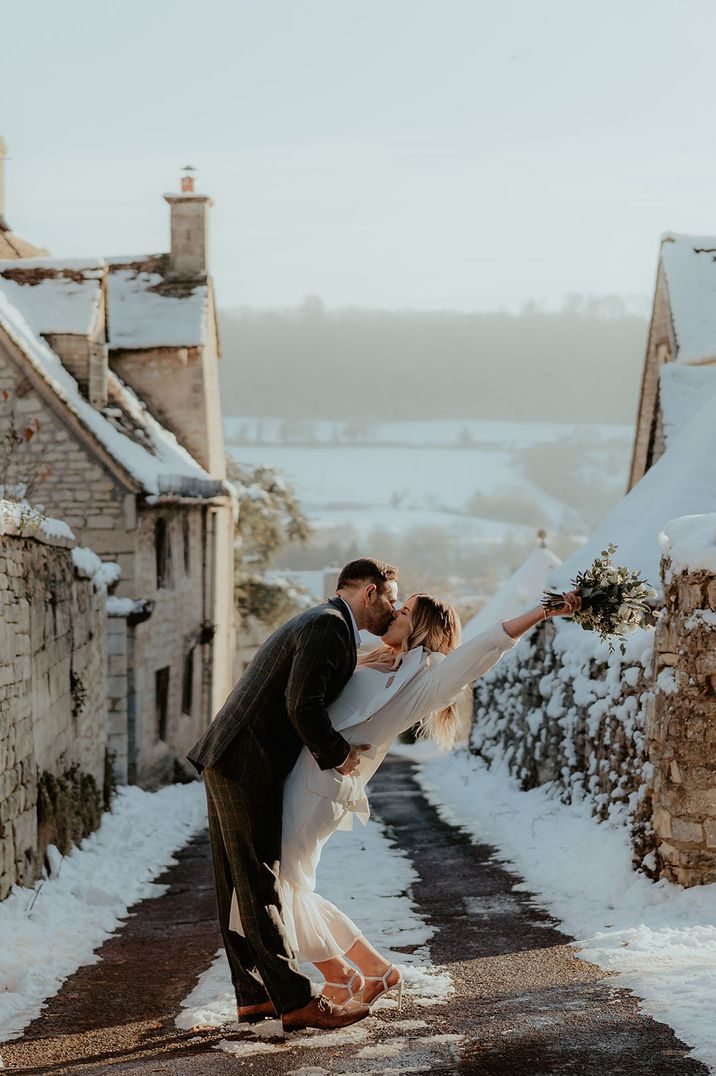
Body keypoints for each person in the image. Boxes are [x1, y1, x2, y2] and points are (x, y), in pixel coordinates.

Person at [229, 589, 580, 1009]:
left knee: (276, 884)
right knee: (282, 884)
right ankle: (366, 972)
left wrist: (541, 612)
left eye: (406, 609)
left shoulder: (430, 675)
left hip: (322, 787)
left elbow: (487, 646)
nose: (394, 611)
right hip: (300, 775)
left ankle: (352, 973)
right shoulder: (378, 659)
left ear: (422, 626)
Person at [187, 557, 400, 1033]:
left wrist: (362, 662)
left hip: (233, 756)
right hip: (247, 762)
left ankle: (254, 998)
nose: (394, 607)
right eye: (390, 598)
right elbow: (301, 704)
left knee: (237, 883)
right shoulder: (328, 627)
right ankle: (296, 1000)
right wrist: (339, 754)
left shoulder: (326, 624)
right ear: (368, 594)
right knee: (260, 882)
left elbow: (303, 683)